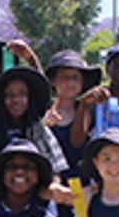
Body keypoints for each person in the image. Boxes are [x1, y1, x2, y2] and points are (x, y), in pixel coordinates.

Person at [0, 64, 69, 189]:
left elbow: (56, 171)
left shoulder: (42, 133)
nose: (16, 100)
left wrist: (48, 192)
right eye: (10, 94)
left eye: (22, 94)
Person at [39, 50, 102, 180]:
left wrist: (83, 105)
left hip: (77, 180)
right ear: (53, 81)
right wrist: (44, 125)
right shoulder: (44, 109)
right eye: (65, 77)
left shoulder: (87, 108)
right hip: (49, 179)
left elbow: (77, 142)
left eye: (75, 77)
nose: (70, 83)